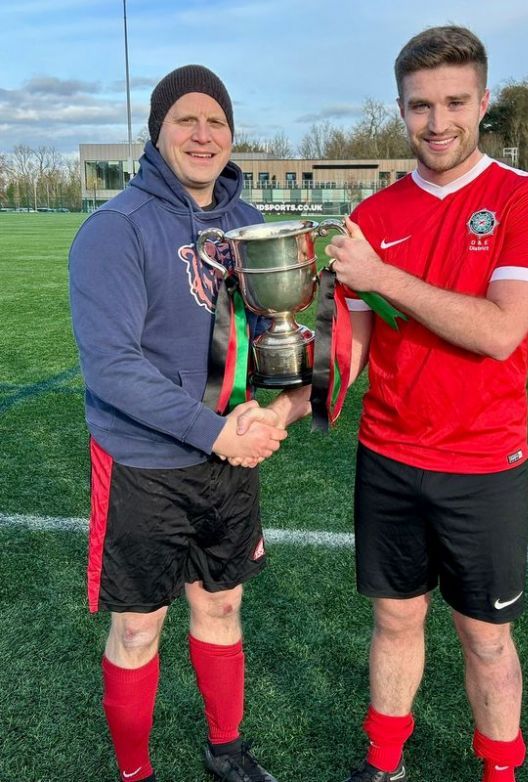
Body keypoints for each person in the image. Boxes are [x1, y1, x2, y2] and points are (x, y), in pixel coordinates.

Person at [321, 25, 528, 782]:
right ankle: (383, 764)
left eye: (455, 102)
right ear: (401, 109)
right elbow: (352, 351)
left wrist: (382, 277)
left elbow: (498, 331)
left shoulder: (525, 199)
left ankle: (499, 772)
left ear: (483, 101)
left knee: (486, 638)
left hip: (482, 465)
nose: (437, 122)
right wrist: (290, 393)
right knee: (394, 620)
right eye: (420, 106)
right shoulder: (375, 216)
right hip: (388, 457)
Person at [69, 65, 289, 782]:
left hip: (228, 466)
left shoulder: (251, 225)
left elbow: (278, 335)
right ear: (156, 132)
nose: (203, 135)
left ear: (232, 134)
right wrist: (217, 430)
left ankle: (225, 747)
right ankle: (135, 773)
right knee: (137, 626)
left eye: (216, 122)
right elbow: (112, 367)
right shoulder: (116, 228)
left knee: (221, 605)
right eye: (186, 121)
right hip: (144, 466)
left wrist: (279, 409)